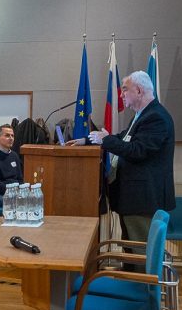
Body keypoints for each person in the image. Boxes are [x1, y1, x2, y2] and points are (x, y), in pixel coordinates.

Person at [73, 70, 175, 241]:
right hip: (134, 200)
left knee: (139, 255)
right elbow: (122, 137)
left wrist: (105, 140)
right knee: (130, 252)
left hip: (143, 201)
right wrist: (89, 140)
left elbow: (137, 150)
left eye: (125, 89)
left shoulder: (155, 117)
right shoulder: (142, 115)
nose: (121, 95)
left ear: (139, 91)